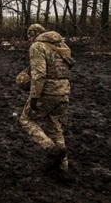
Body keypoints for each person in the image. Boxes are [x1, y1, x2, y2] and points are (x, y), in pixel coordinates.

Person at [19, 24, 73, 180]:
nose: (29, 39)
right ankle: (63, 167)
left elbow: (39, 75)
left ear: (34, 34)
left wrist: (34, 97)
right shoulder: (62, 45)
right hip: (64, 92)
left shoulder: (37, 46)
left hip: (47, 92)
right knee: (54, 125)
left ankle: (50, 148)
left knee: (26, 119)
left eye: (29, 36)